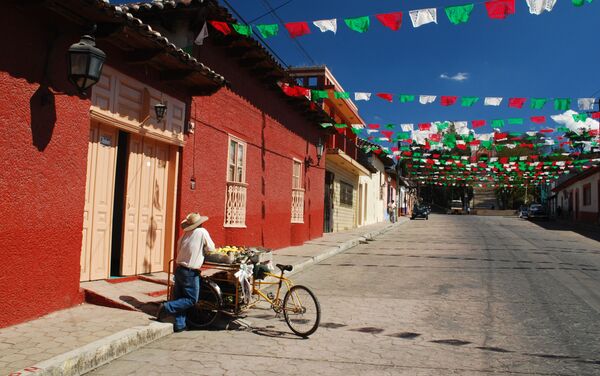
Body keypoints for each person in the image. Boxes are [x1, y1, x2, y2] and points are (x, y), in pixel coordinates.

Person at [157, 212, 215, 332]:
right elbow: (211, 248)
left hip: (179, 269)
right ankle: (167, 307)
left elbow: (179, 249)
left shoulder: (184, 235)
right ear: (200, 224)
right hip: (190, 272)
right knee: (191, 299)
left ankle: (180, 325)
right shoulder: (202, 232)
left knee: (181, 298)